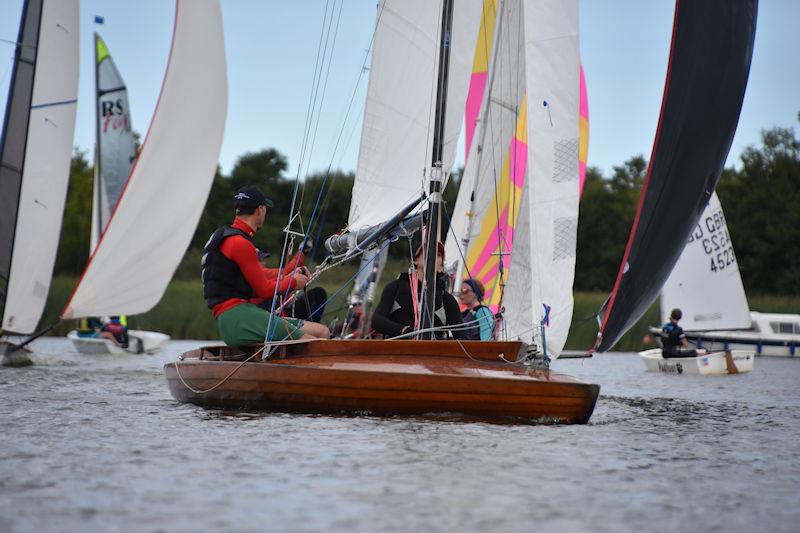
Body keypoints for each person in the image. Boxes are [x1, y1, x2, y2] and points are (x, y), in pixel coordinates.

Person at [202, 186, 329, 347]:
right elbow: (263, 290)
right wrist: (294, 282)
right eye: (265, 208)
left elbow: (261, 281)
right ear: (260, 210)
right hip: (238, 317)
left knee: (322, 332)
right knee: (312, 343)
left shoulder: (225, 236)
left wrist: (290, 276)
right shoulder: (240, 243)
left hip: (234, 317)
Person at [371, 242, 466, 340]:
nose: (431, 255)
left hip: (431, 352)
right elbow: (377, 320)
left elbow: (461, 337)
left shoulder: (446, 299)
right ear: (416, 260)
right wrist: (405, 331)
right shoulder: (395, 288)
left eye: (438, 255)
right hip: (397, 350)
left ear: (441, 267)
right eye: (426, 251)